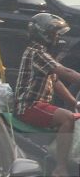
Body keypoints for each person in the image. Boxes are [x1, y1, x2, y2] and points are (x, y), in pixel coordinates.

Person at [14, 12, 80, 175]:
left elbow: (55, 82)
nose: (57, 37)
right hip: (30, 106)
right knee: (67, 118)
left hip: (39, 105)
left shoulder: (42, 53)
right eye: (54, 33)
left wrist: (74, 104)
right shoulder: (37, 53)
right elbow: (66, 72)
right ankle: (61, 167)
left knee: (73, 115)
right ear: (43, 34)